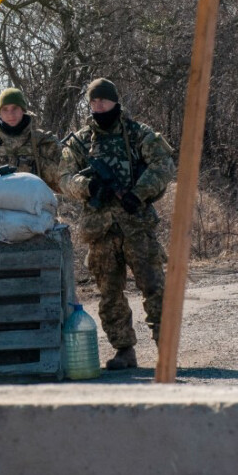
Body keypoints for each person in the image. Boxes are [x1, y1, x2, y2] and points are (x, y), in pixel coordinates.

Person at [59, 79, 175, 370]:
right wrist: (88, 187)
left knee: (154, 288)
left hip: (137, 225)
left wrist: (139, 193)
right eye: (94, 101)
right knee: (110, 294)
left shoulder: (138, 134)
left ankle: (167, 349)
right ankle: (124, 351)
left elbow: (163, 164)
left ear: (115, 102)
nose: (98, 106)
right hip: (100, 231)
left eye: (103, 100)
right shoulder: (80, 141)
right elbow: (64, 180)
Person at [0, 87, 62, 191]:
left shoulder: (44, 143)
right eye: (5, 109)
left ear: (23, 110)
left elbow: (63, 183)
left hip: (33, 205)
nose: (10, 114)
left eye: (15, 108)